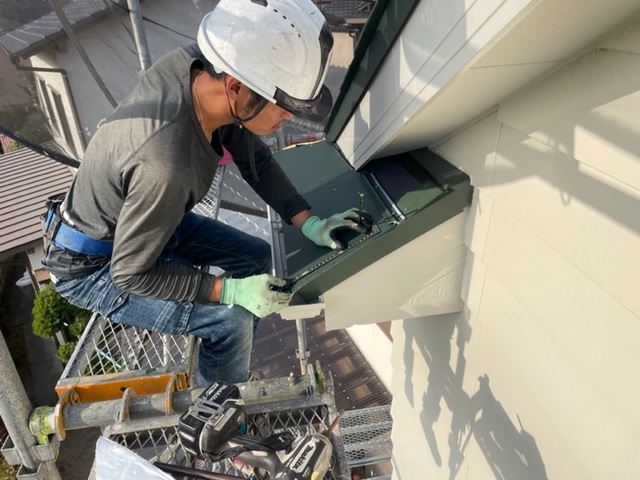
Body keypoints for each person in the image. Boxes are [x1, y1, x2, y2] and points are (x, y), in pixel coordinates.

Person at [41, 0, 370, 385]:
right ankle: (216, 407)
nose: (289, 117)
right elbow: (131, 273)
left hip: (144, 220)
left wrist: (308, 221)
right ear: (236, 86)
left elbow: (255, 159)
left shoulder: (202, 70)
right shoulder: (166, 163)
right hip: (92, 265)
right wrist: (228, 292)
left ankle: (229, 360)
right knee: (230, 321)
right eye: (284, 106)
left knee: (259, 258)